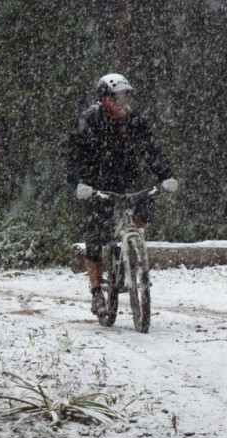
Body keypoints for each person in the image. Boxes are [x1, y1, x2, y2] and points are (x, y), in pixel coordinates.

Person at [67, 73, 178, 315]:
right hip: (97, 183)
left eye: (126, 96)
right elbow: (75, 157)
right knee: (96, 234)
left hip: (128, 179)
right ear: (104, 99)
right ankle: (97, 291)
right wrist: (80, 184)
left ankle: (131, 249)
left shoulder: (134, 120)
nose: (123, 102)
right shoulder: (89, 121)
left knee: (146, 203)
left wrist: (166, 176)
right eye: (118, 97)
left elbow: (151, 150)